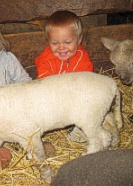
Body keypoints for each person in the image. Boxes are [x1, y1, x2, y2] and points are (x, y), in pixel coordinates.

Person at [35, 10, 94, 142]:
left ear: (79, 39)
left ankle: (80, 127)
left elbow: (86, 80)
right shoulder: (47, 58)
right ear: (48, 41)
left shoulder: (82, 58)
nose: (61, 47)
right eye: (55, 43)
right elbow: (44, 81)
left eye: (67, 42)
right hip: (55, 97)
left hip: (75, 96)